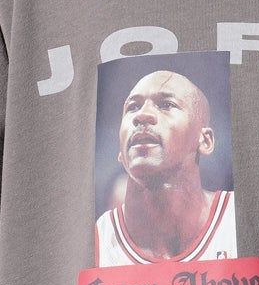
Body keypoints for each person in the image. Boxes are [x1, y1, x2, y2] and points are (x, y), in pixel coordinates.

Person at [94, 66, 237, 265]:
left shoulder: (238, 219)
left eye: (166, 105)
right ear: (121, 151)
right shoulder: (96, 242)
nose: (141, 115)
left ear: (205, 141)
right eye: (133, 107)